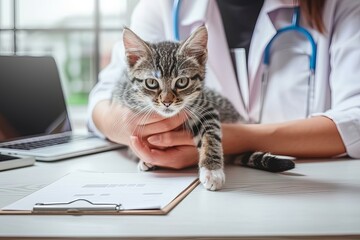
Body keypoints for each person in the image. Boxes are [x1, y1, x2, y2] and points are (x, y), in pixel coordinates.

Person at [88, 0, 360, 169]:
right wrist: (130, 128)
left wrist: (229, 139)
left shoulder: (341, 6)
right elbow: (101, 99)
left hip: (308, 191)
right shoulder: (163, 6)